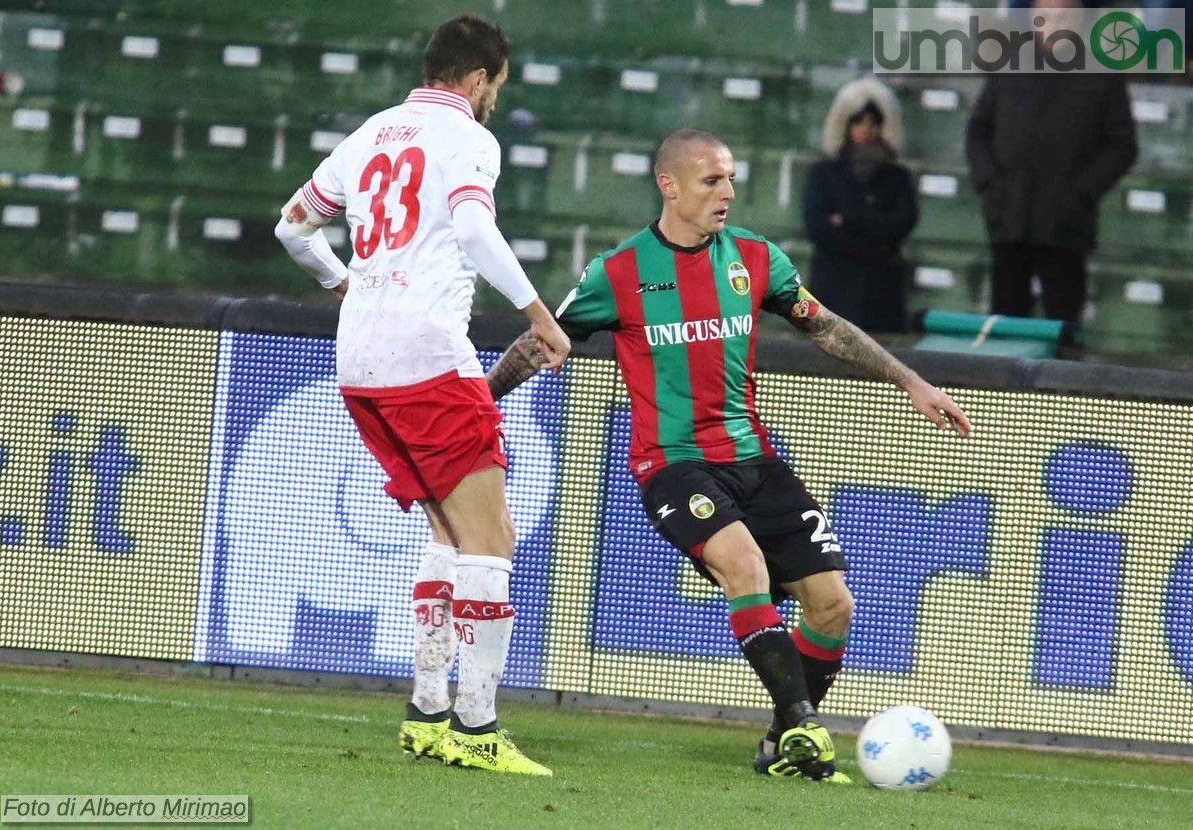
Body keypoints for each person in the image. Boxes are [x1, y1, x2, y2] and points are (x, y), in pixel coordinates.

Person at [486, 129, 973, 783]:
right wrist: (481, 402)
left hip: (755, 460)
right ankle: (805, 726)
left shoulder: (755, 258)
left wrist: (910, 381)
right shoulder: (620, 273)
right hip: (673, 464)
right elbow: (542, 339)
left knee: (833, 605)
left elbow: (824, 327)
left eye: (731, 178)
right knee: (743, 565)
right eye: (712, 180)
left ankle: (781, 741)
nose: (729, 193)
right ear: (670, 185)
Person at [274, 14, 569, 777]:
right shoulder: (469, 138)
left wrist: (342, 282)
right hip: (428, 358)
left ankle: (427, 711)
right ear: (478, 79)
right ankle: (478, 727)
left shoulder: (372, 133)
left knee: (447, 532)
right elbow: (472, 230)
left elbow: (292, 227)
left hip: (360, 362)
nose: (495, 98)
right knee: (491, 537)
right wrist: (538, 314)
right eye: (497, 85)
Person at [966, 0, 1138, 323]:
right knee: (1004, 328)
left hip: (1066, 227)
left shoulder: (1101, 73)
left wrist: (1081, 194)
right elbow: (978, 130)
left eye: (1062, 17)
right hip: (1009, 221)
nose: (1053, 25)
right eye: (1045, 18)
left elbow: (1122, 145)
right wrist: (991, 183)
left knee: (1063, 329)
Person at [802, 78, 918, 333]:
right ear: (844, 124)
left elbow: (902, 222)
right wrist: (873, 238)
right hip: (832, 290)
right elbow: (817, 227)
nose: (865, 130)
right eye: (858, 122)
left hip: (881, 296)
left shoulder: (897, 177)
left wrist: (848, 220)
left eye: (873, 123)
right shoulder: (822, 174)